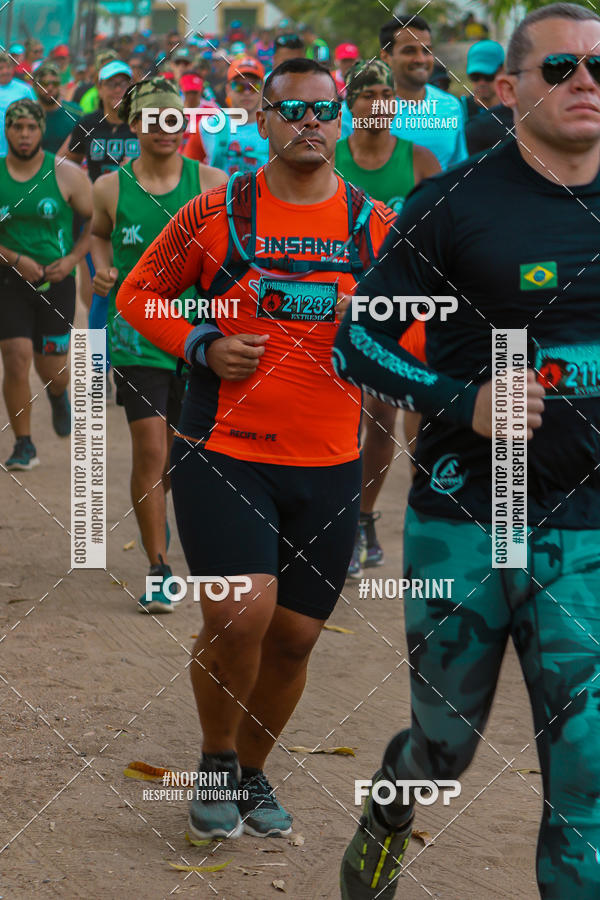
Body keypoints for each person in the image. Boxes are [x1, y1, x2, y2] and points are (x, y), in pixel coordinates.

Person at [335, 3, 600, 897]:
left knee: (588, 771)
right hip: (467, 516)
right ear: (510, 88)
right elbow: (357, 341)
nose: (586, 83)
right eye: (560, 68)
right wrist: (465, 401)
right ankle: (392, 804)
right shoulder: (452, 203)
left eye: (599, 68)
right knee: (443, 747)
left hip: (589, 530)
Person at [116, 57, 397, 841]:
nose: (310, 122)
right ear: (263, 120)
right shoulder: (216, 213)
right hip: (225, 450)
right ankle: (214, 759)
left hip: (330, 463)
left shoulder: (376, 225)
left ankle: (251, 768)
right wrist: (201, 343)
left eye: (324, 110)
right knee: (240, 617)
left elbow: (414, 322)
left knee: (296, 638)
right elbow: (138, 293)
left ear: (340, 121)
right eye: (292, 109)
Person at [91, 78, 226, 612]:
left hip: (198, 337)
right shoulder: (110, 187)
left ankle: (167, 527)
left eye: (175, 118)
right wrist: (103, 269)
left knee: (183, 456)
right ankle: (159, 568)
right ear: (134, 124)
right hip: (138, 337)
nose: (166, 128)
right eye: (154, 119)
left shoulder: (211, 182)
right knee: (150, 448)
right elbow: (99, 232)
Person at [335, 59, 440, 575]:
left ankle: (362, 520)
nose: (377, 103)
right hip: (329, 304)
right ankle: (328, 521)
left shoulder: (419, 160)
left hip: (396, 309)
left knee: (382, 418)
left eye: (385, 94)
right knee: (336, 420)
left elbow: (442, 237)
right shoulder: (326, 157)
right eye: (367, 94)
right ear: (349, 104)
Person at [0, 100, 92, 470]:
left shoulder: (66, 173)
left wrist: (71, 260)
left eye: (31, 127)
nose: (24, 135)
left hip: (57, 281)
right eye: (17, 127)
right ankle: (24, 444)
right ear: (7, 130)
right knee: (16, 356)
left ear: (41, 130)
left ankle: (57, 394)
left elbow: (96, 222)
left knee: (51, 368)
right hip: (8, 279)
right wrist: (14, 258)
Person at [342, 16, 467, 170]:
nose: (420, 59)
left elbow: (459, 169)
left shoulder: (451, 106)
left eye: (426, 50)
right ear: (385, 57)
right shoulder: (354, 110)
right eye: (409, 51)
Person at [207, 56, 269, 176]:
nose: (247, 92)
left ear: (262, 90)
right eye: (239, 86)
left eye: (254, 86)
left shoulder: (274, 128)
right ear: (228, 89)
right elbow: (190, 174)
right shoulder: (208, 127)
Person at [462, 41, 515, 155]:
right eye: (475, 76)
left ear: (503, 71)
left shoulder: (516, 112)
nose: (481, 83)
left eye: (488, 76)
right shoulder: (461, 110)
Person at [32, 62, 81, 154]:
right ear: (36, 86)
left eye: (54, 83)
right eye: (45, 84)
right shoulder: (28, 113)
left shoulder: (75, 112)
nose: (50, 88)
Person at [0, 51, 36, 156]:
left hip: (17, 151)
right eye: (1, 68)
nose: (5, 71)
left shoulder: (25, 89)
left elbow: (36, 116)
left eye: (8, 67)